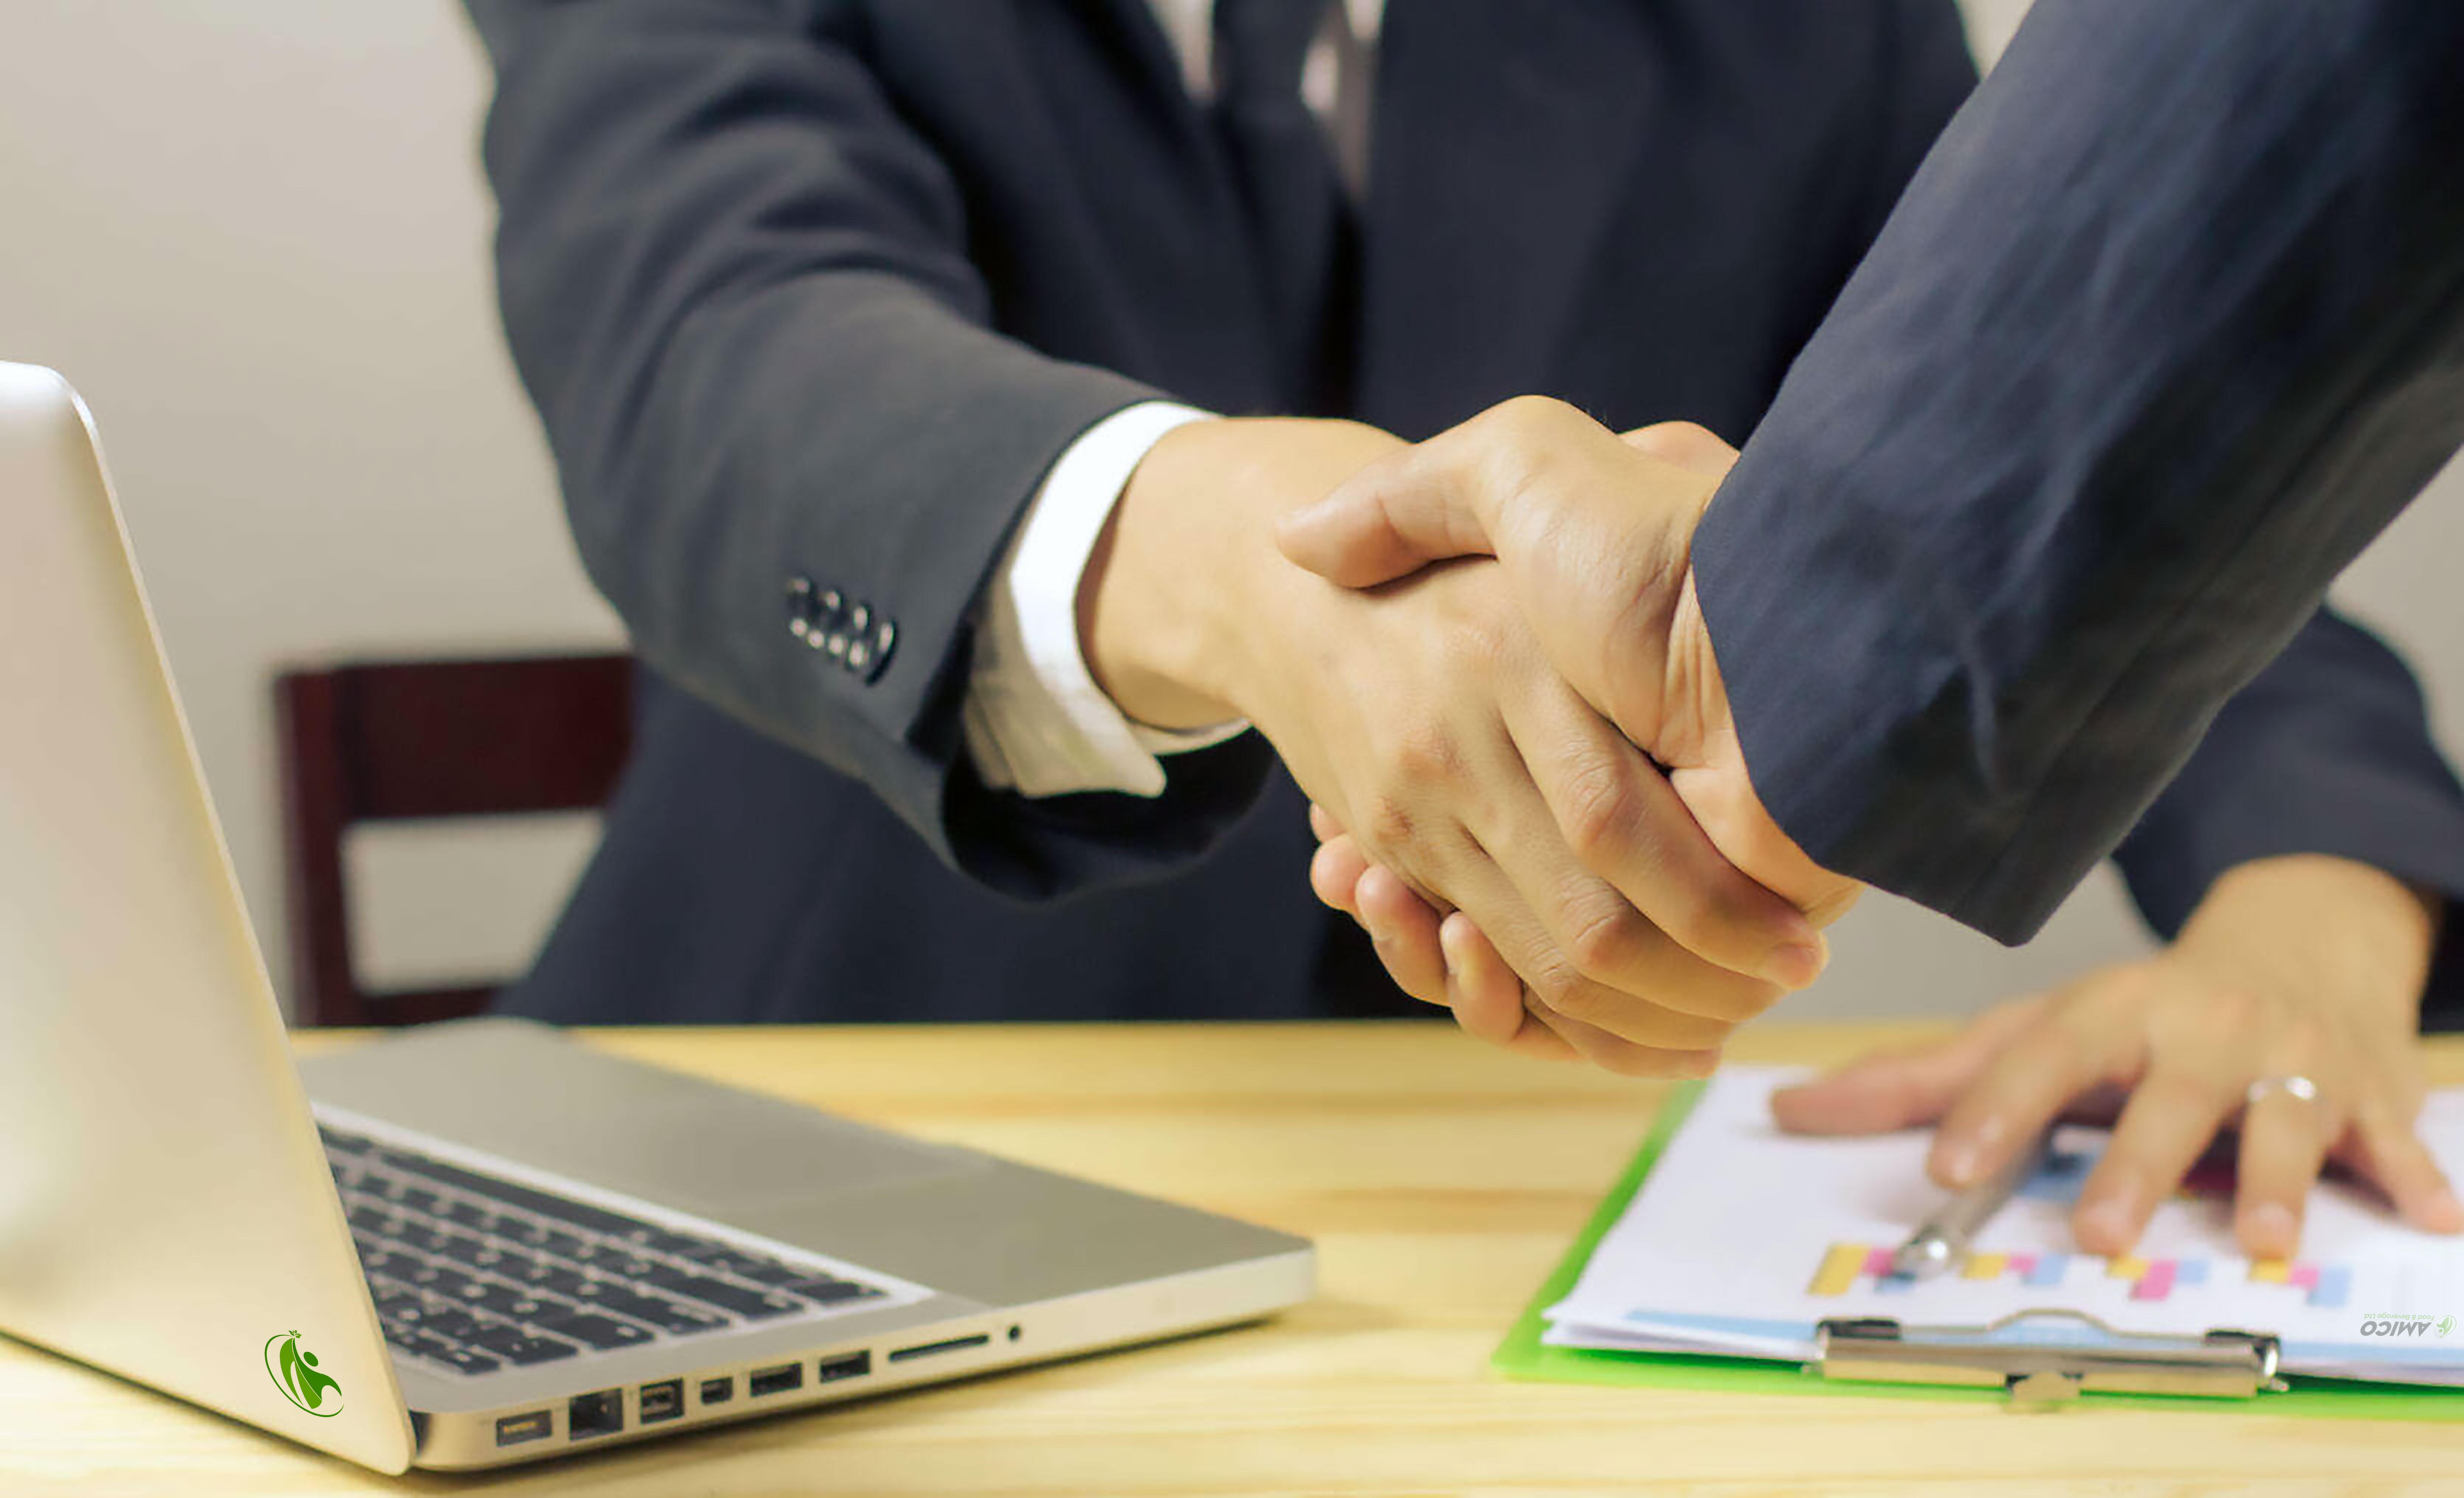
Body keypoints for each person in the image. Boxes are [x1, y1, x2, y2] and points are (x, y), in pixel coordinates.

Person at [465, 0, 2464, 1252]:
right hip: (799, 1123)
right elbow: (710, 351)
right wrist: (1264, 569)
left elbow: (2063, 432)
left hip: (1481, 1212)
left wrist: (2311, 907)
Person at [1282, 0, 2464, 1254]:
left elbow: (2117, 478)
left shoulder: (1818, 31)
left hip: (1573, 1190)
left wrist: (2317, 902)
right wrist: (1256, 574)